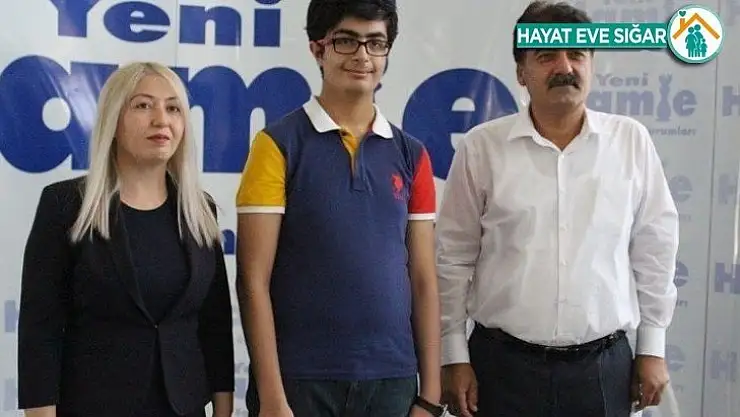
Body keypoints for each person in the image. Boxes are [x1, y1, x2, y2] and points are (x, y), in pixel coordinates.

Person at [436, 2, 680, 416]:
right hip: (501, 368)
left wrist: (652, 347)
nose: (564, 67)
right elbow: (453, 258)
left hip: (604, 370)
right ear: (521, 72)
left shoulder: (630, 142)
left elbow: (655, 248)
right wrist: (453, 355)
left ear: (591, 64)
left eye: (576, 54)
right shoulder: (482, 148)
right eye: (547, 56)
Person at [234, 1, 443, 416]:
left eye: (376, 43)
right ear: (317, 49)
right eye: (346, 41)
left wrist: (430, 396)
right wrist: (272, 398)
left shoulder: (413, 155)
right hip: (300, 381)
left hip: (393, 381)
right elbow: (253, 281)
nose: (362, 56)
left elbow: (423, 280)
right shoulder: (276, 145)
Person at [17, 62, 235, 417]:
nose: (161, 120)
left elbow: (215, 322)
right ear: (113, 121)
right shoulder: (66, 206)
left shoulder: (199, 209)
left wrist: (224, 409)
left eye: (173, 108)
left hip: (184, 407)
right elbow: (40, 328)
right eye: (143, 105)